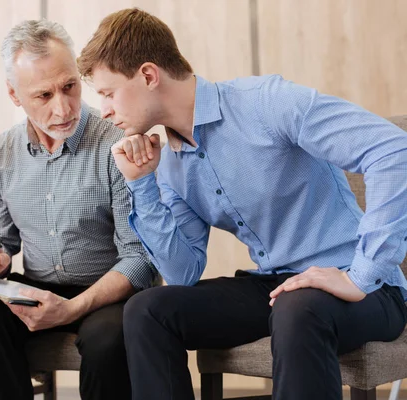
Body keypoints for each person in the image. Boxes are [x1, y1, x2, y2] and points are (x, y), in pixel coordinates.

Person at [77, 8, 407, 400]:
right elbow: (182, 273)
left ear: (148, 75)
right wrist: (142, 184)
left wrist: (359, 276)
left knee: (297, 308)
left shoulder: (265, 103)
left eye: (108, 93)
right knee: (147, 309)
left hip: (366, 290)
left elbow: (392, 150)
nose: (105, 110)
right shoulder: (167, 166)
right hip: (276, 286)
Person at [0, 20, 156, 400]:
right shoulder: (1, 154)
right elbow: (0, 238)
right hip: (40, 285)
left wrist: (71, 309)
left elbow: (140, 258)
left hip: (110, 290)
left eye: (69, 86)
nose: (63, 107)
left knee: (107, 338)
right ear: (14, 95)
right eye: (43, 95)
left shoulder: (117, 143)